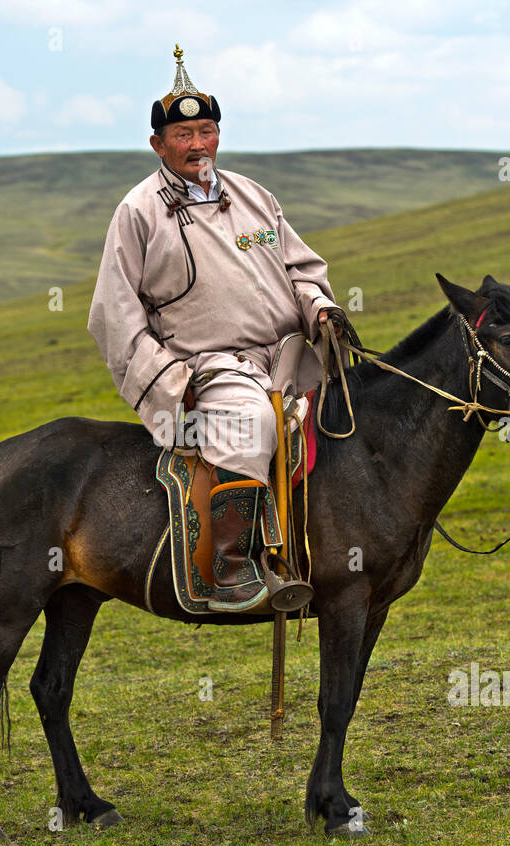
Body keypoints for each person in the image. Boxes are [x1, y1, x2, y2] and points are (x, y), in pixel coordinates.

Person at [87, 45, 346, 612]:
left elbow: (300, 269)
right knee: (252, 422)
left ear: (219, 135)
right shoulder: (138, 212)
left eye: (206, 130)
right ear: (158, 145)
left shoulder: (254, 197)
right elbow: (113, 312)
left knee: (351, 418)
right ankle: (232, 567)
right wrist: (166, 382)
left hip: (286, 355)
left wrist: (321, 309)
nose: (197, 144)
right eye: (183, 135)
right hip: (210, 366)